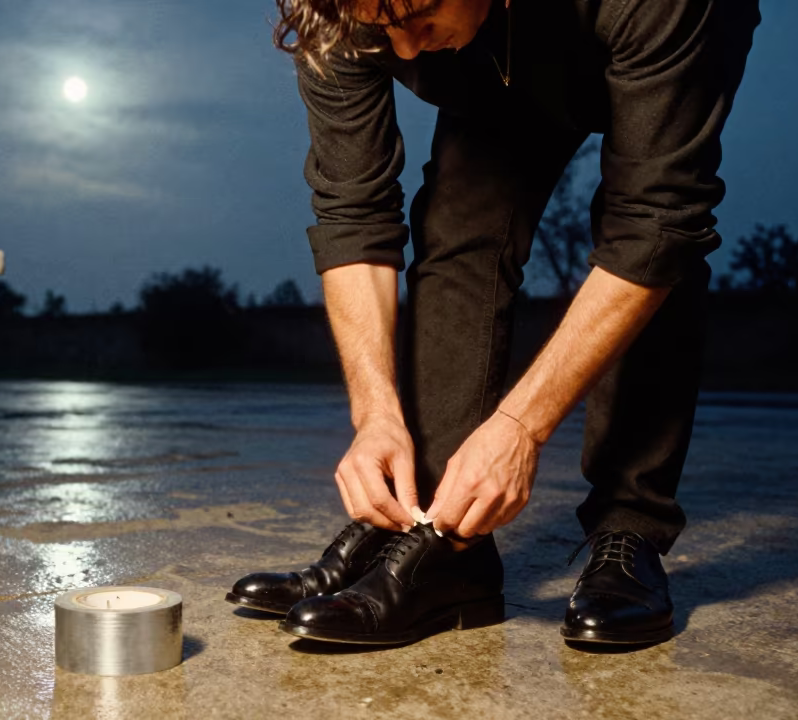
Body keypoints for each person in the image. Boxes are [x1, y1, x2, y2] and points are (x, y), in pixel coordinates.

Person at [226, 0, 760, 645]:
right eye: (381, 29)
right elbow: (352, 214)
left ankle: (630, 528)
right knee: (458, 216)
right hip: (494, 51)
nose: (403, 51)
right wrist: (376, 415)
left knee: (651, 240)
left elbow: (656, 223)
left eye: (418, 15)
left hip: (650, 31)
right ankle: (445, 544)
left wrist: (519, 430)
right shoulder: (341, 16)